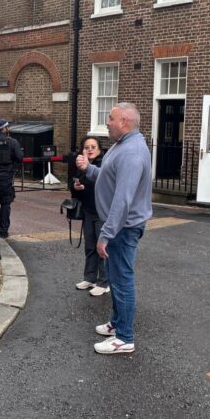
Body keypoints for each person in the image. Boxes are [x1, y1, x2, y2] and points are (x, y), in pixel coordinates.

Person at [76, 103, 152, 355]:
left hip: (122, 229)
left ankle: (124, 338)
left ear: (125, 122)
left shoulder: (131, 153)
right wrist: (90, 169)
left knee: (121, 281)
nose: (106, 122)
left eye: (110, 118)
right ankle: (117, 324)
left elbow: (123, 199)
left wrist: (106, 235)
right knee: (118, 278)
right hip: (118, 227)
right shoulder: (122, 145)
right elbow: (110, 177)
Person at [71, 136, 109, 296]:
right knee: (90, 246)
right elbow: (73, 187)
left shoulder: (104, 165)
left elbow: (104, 184)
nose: (90, 149)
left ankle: (104, 282)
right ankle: (90, 277)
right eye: (87, 147)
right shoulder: (80, 166)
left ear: (99, 150)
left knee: (102, 249)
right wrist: (75, 187)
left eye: (93, 147)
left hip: (102, 212)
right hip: (88, 211)